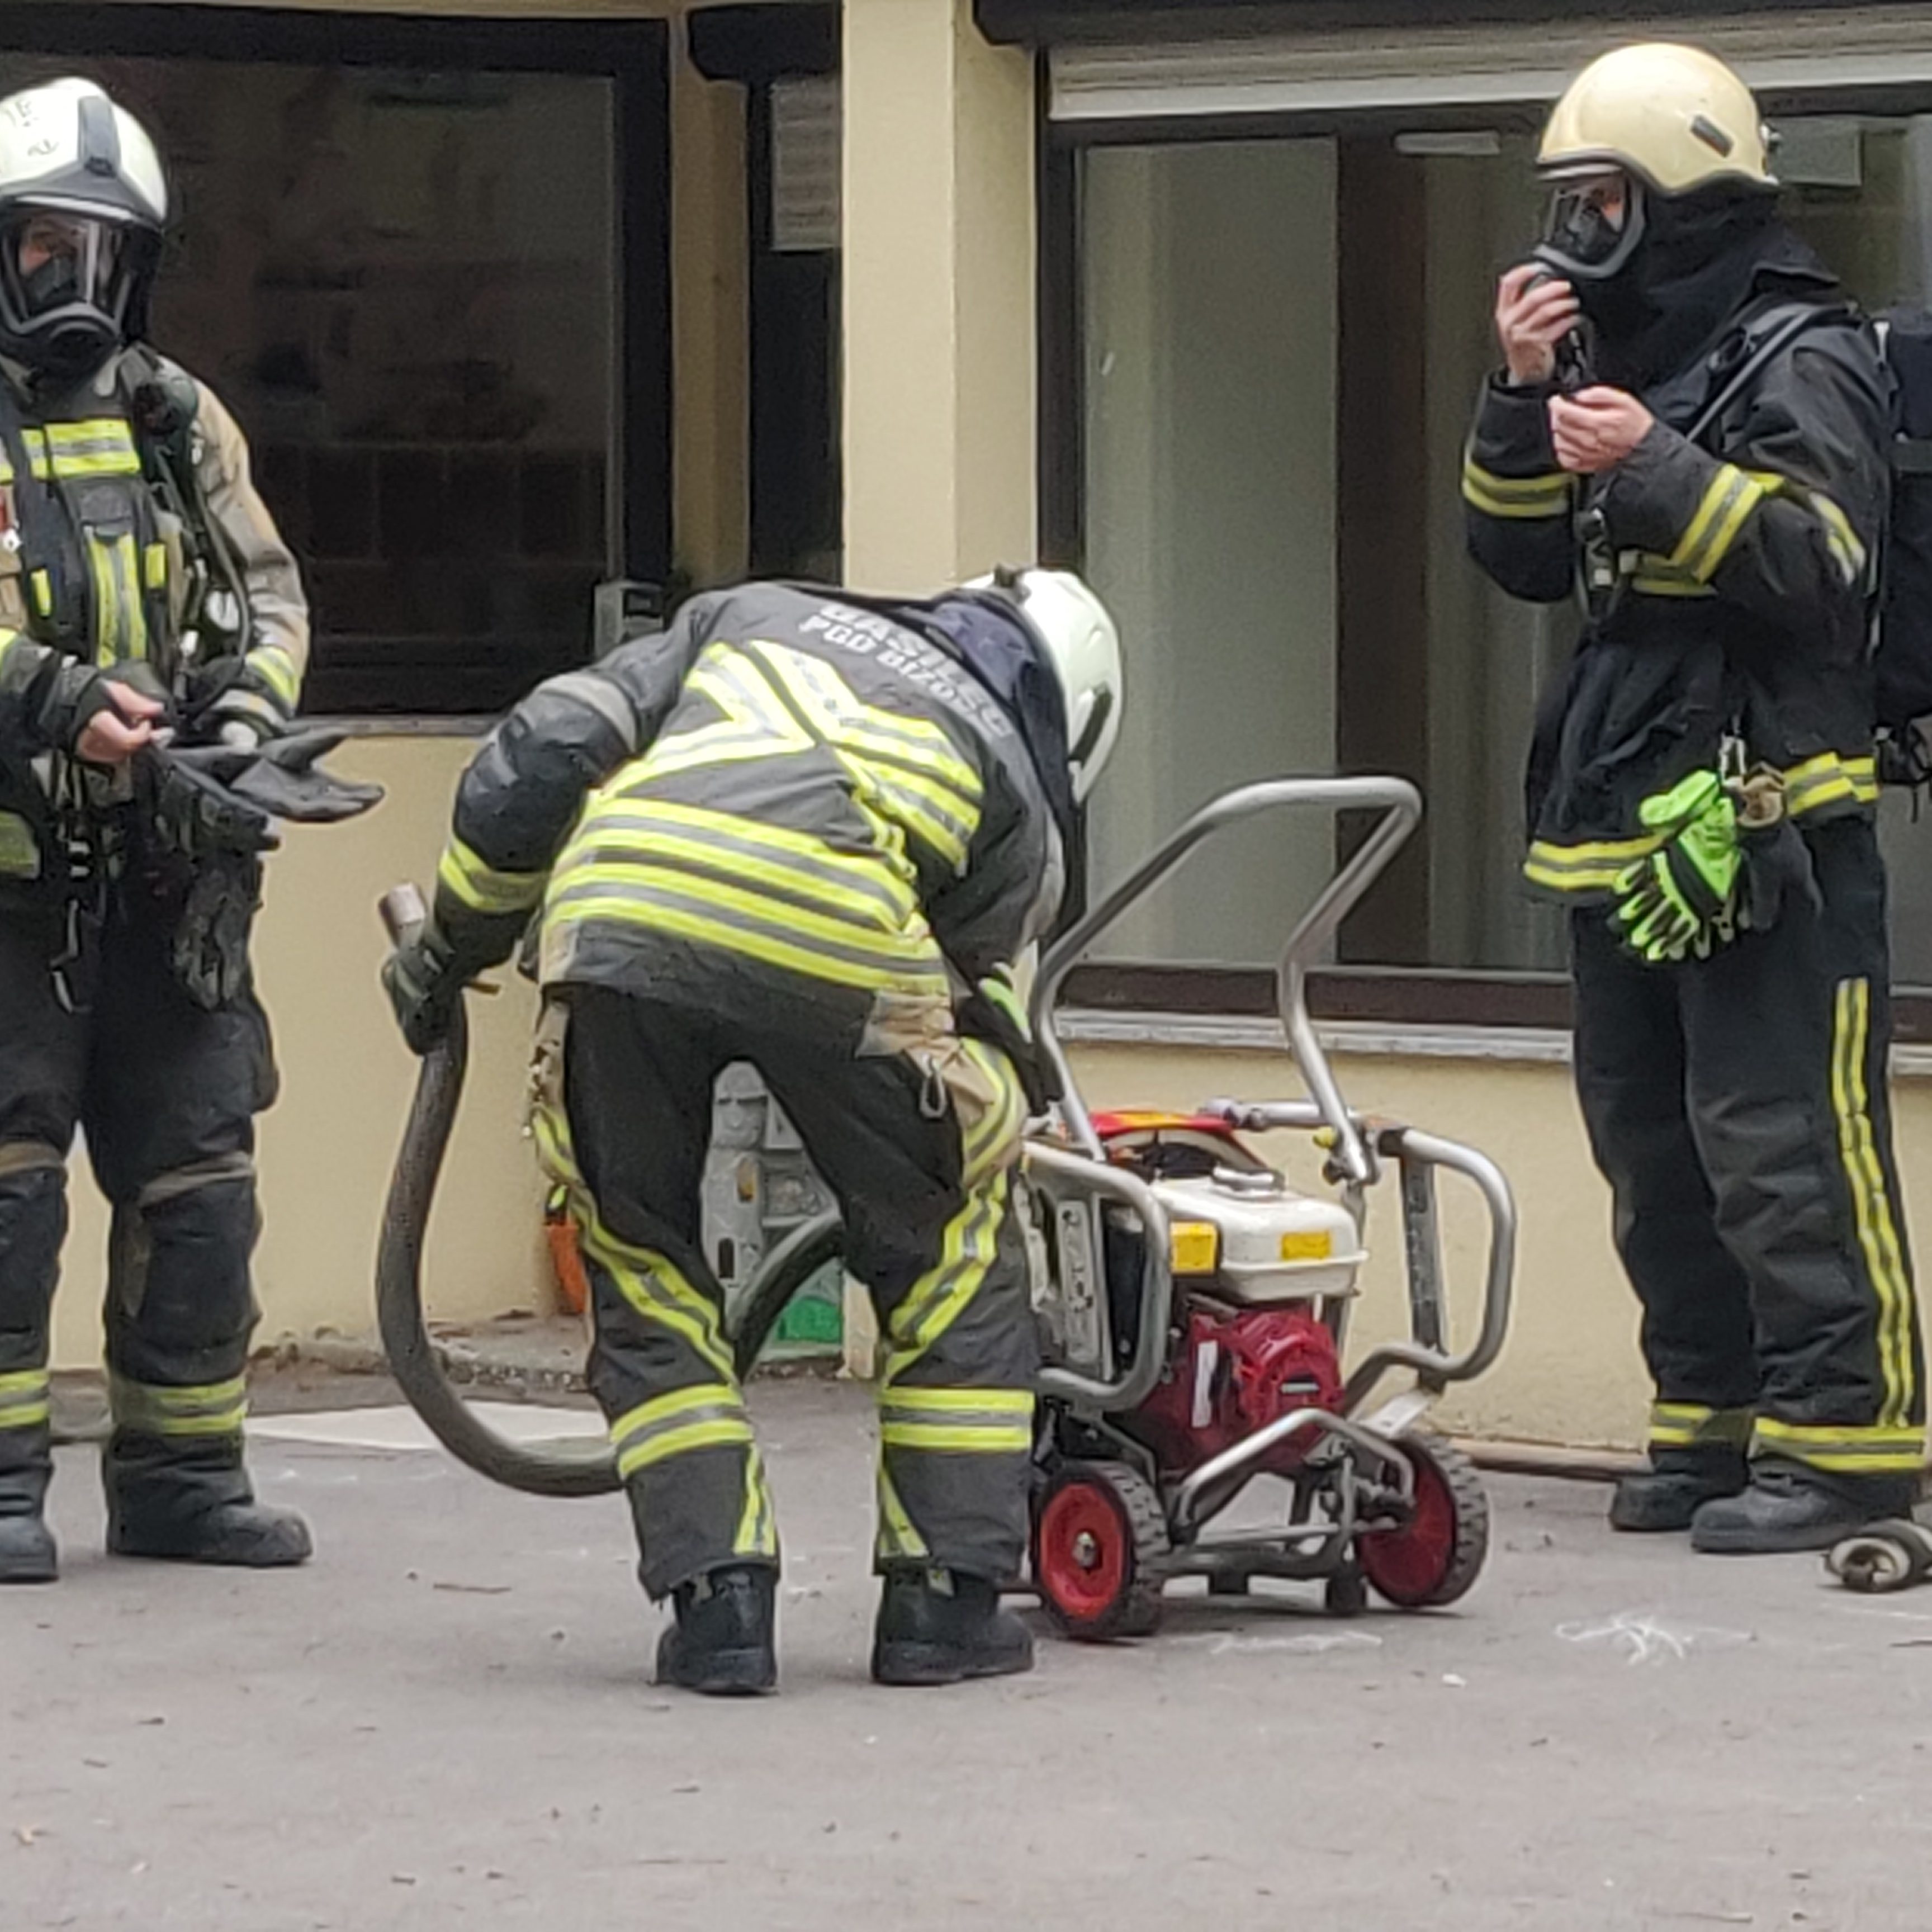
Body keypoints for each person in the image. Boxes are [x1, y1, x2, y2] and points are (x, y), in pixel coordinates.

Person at [385, 570, 1122, 1690]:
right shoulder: (1015, 788)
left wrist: (451, 948)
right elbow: (961, 1003)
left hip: (618, 916)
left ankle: (718, 1608)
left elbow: (544, 748)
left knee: (640, 1256)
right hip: (840, 930)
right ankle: (942, 1605)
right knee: (950, 1242)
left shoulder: (750, 615)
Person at [1465, 42, 1924, 1553]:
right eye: (1569, 203)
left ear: (1683, 198)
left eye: (1604, 200)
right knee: (1653, 1146)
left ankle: (1847, 1444)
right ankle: (1710, 1422)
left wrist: (1659, 464)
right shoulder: (1617, 354)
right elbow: (1523, 557)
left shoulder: (1803, 352)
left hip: (1771, 811)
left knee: (1782, 1141)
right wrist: (1518, 394)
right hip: (1622, 811)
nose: (1578, 233)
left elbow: (1827, 569)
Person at [0, 78, 315, 1584]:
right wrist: (54, 699)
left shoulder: (175, 418)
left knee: (199, 1190)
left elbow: (271, 598)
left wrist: (237, 731)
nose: (73, 276)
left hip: (165, 882)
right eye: (42, 245)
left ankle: (186, 1479)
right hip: (10, 895)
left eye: (101, 250)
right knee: (8, 1199)